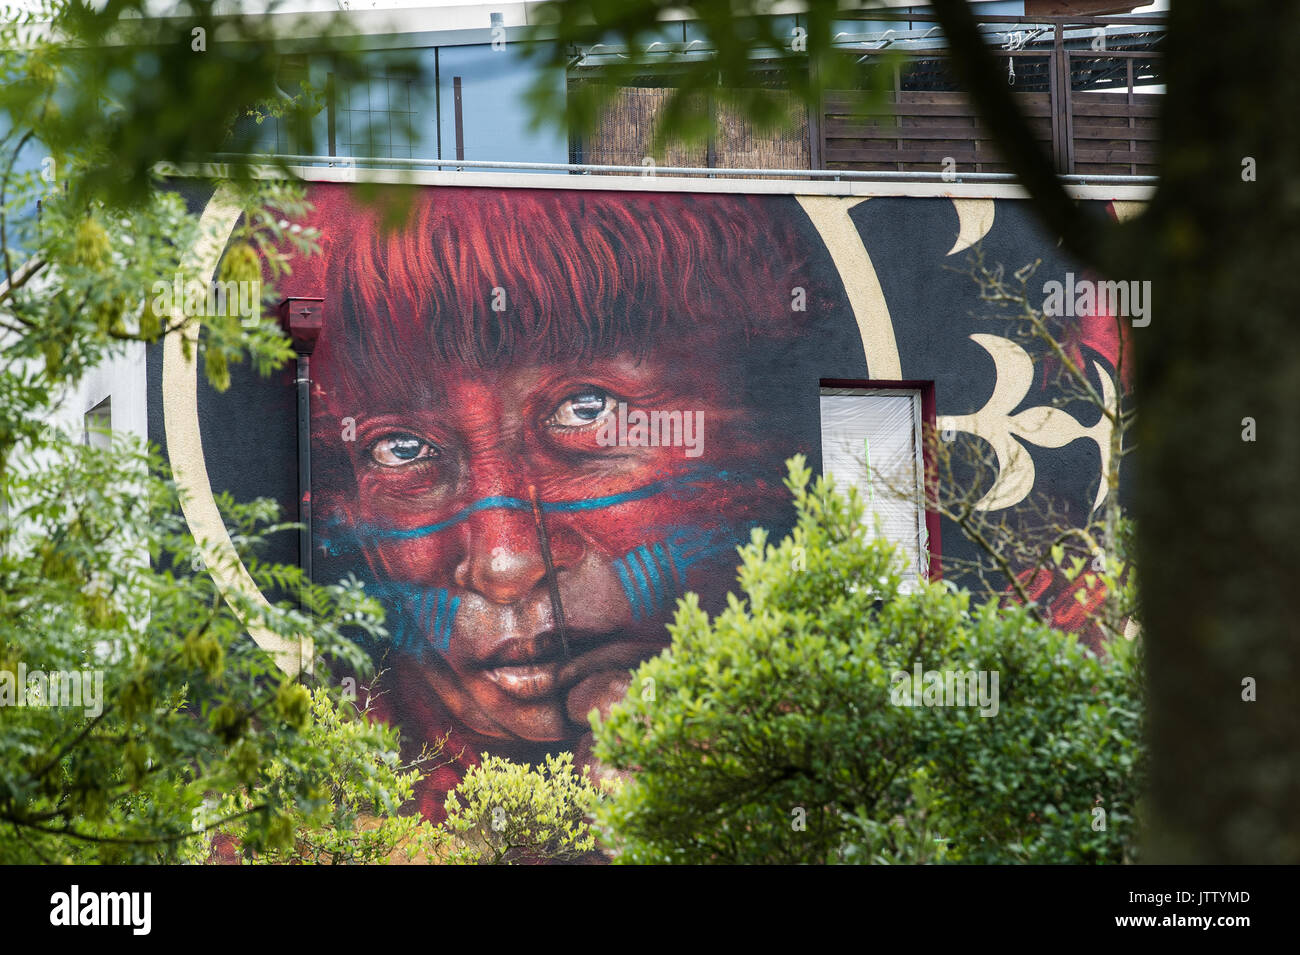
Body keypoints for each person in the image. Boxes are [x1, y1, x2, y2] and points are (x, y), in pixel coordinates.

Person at [289, 184, 850, 819]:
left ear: (754, 427)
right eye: (400, 450)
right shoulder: (299, 800)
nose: (504, 566)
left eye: (588, 409)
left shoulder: (874, 763)